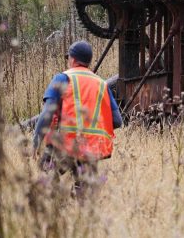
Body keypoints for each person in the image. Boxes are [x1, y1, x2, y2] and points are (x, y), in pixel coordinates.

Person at [33, 40, 123, 195]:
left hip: (66, 144)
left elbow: (47, 114)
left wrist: (35, 143)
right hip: (93, 149)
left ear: (72, 60)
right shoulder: (102, 84)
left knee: (46, 171)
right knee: (84, 192)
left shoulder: (63, 78)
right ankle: (78, 208)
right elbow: (117, 121)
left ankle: (57, 204)